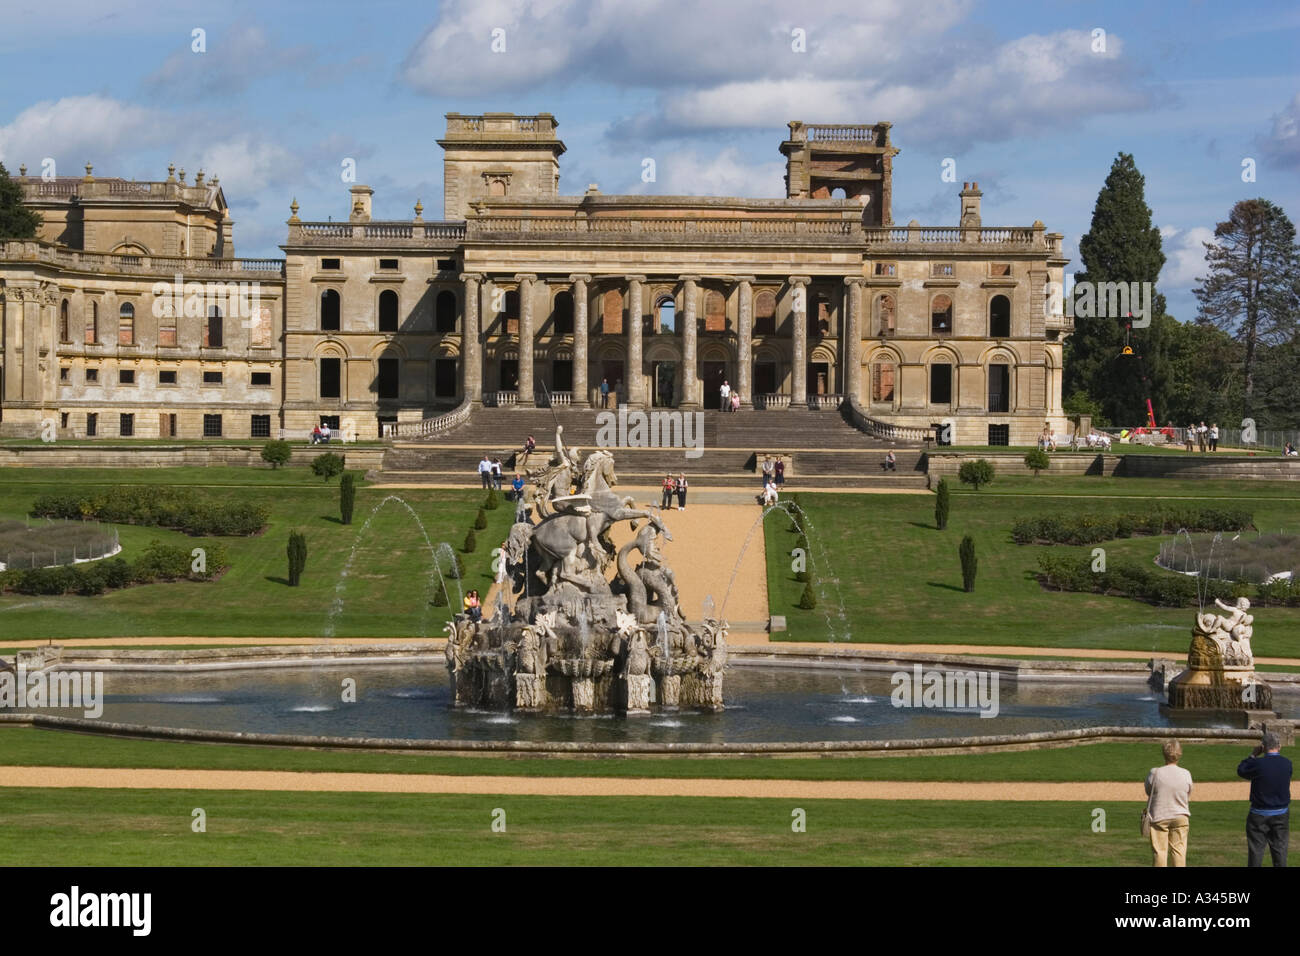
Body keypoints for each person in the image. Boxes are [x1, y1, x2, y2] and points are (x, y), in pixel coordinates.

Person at [1237, 730, 1291, 867]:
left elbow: (1241, 770)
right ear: (1279, 746)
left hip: (1259, 814)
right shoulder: (1287, 764)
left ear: (1263, 747)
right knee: (1280, 851)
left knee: (1256, 851)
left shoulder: (1258, 764)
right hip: (1280, 813)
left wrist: (1253, 755)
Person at [1144, 740, 1193, 867]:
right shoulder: (1186, 773)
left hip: (1160, 816)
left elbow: (1148, 791)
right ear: (1179, 754)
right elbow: (1188, 794)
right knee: (1179, 853)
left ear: (1164, 754)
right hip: (1181, 816)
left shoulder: (1154, 773)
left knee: (1160, 852)